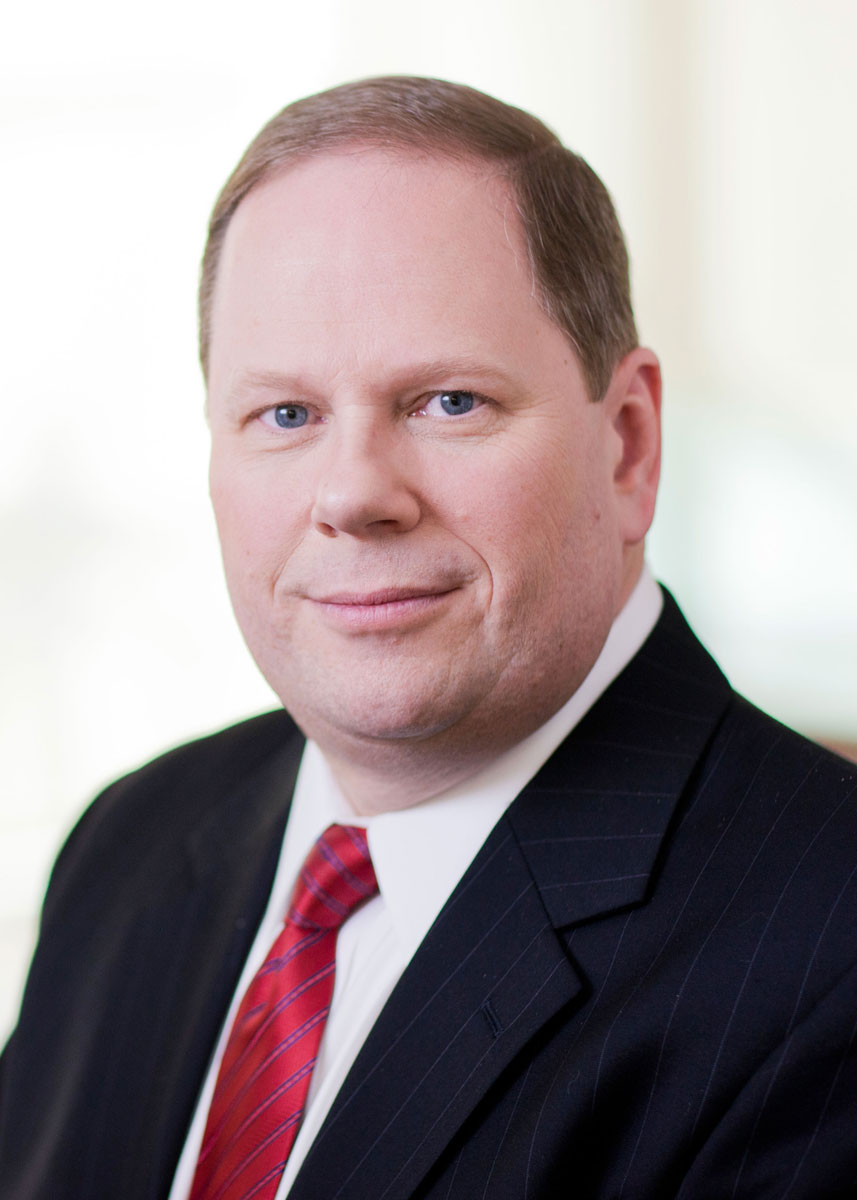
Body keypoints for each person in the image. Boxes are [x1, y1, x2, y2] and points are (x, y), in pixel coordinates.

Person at [1, 76, 855, 1200]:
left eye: (449, 402)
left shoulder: (828, 946)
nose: (355, 495)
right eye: (285, 415)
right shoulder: (131, 843)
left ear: (627, 446)